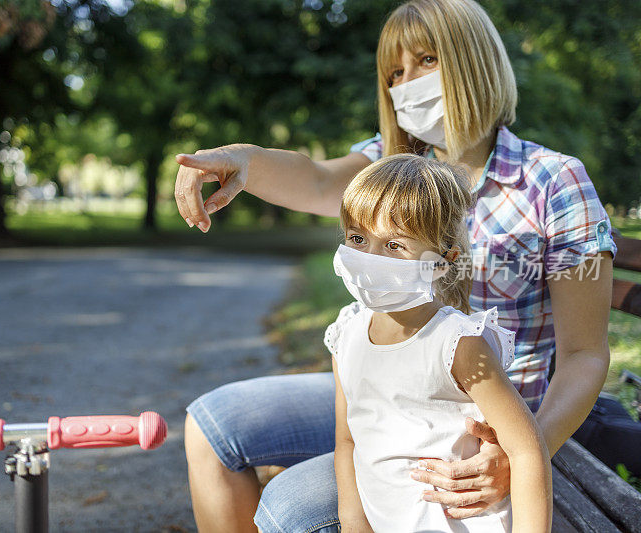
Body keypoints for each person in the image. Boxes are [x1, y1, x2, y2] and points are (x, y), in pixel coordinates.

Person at [176, 0, 616, 531]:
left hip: (487, 420)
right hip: (387, 387)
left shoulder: (553, 182)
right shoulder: (393, 170)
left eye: (427, 60)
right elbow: (316, 179)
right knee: (214, 424)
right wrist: (247, 160)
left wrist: (527, 448)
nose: (408, 84)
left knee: (290, 507)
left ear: (474, 61)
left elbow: (584, 355)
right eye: (395, 73)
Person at [329, 153, 551, 532]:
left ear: (442, 262)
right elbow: (347, 441)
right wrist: (353, 524)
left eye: (394, 245)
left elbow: (526, 451)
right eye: (357, 238)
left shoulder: (457, 343)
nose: (368, 259)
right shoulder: (346, 334)